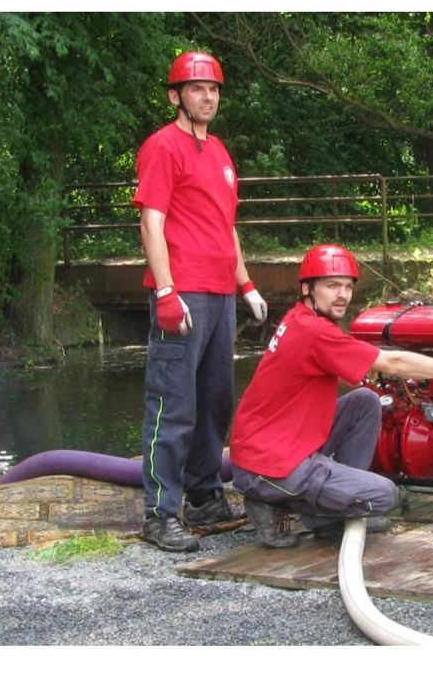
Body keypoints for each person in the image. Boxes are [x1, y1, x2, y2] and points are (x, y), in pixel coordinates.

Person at [229, 243, 433, 547]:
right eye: (332, 286)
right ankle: (286, 507)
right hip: (270, 466)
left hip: (268, 447)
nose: (342, 294)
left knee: (365, 402)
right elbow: (392, 363)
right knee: (384, 495)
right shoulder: (317, 333)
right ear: (307, 288)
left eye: (347, 286)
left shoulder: (299, 318)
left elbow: (356, 366)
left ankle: (331, 506)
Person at [134, 51, 268, 553]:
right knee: (173, 405)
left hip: (219, 295)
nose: (207, 96)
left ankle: (206, 497)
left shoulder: (221, 153)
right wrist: (166, 291)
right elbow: (152, 222)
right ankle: (158, 514)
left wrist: (246, 283)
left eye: (213, 89)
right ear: (176, 96)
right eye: (196, 89)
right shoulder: (162, 147)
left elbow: (224, 225)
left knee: (214, 403)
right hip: (183, 293)